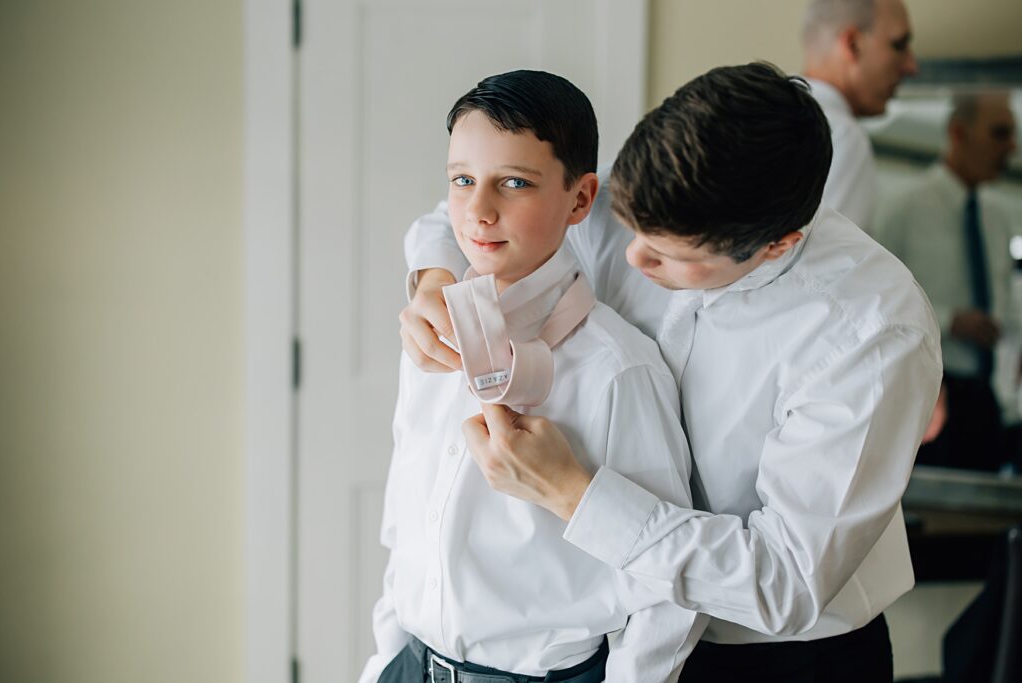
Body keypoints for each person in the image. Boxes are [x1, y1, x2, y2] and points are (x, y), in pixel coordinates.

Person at [400, 63, 942, 682]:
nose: (631, 257)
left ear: (778, 244)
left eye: (670, 255)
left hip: (775, 658)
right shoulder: (660, 191)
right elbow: (466, 211)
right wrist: (434, 280)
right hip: (618, 645)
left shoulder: (871, 334)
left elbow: (783, 583)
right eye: (632, 225)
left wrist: (571, 493)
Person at [360, 70, 703, 683]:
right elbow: (408, 515)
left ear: (580, 199)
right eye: (463, 181)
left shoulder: (619, 371)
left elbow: (663, 587)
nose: (479, 211)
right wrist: (383, 659)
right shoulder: (431, 338)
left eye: (514, 183)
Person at [875, 92, 1019, 472]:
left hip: (987, 398)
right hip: (926, 393)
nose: (1012, 147)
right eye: (1000, 133)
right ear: (959, 133)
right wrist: (949, 320)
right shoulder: (904, 208)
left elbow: (1004, 304)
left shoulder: (999, 218)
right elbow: (873, 296)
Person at [802, 0, 919, 232]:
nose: (911, 66)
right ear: (853, 44)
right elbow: (835, 266)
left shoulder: (757, 119)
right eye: (899, 45)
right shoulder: (840, 136)